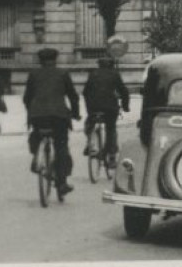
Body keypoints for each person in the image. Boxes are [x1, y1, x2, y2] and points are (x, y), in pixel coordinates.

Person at [23, 47, 80, 199]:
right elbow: (73, 96)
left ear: (40, 60)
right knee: (61, 146)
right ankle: (61, 183)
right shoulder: (63, 73)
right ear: (55, 60)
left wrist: (31, 113)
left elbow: (27, 98)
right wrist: (75, 113)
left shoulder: (33, 74)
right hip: (58, 116)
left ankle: (37, 158)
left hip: (38, 116)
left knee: (36, 135)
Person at [81, 56, 130, 163]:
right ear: (111, 65)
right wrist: (125, 106)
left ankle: (90, 144)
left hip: (94, 107)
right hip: (110, 108)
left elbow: (85, 92)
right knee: (111, 128)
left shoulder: (93, 74)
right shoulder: (115, 74)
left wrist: (89, 108)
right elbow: (124, 91)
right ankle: (112, 155)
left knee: (89, 124)